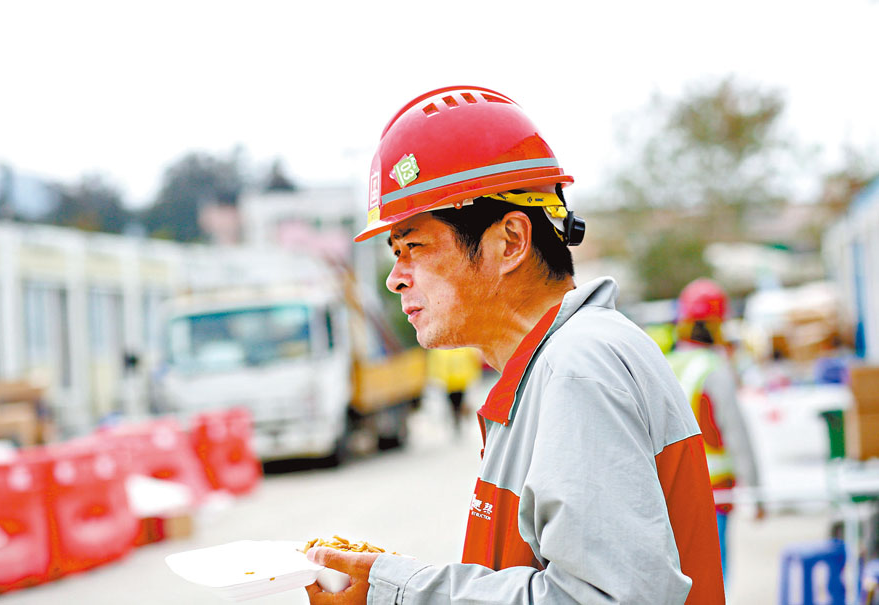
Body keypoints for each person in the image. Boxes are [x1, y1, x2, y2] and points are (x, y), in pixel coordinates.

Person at [305, 86, 724, 604]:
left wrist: (403, 593)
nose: (396, 279)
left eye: (413, 246)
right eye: (396, 253)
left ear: (510, 242)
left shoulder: (578, 368)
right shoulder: (546, 371)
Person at [665, 278, 763, 588]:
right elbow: (736, 434)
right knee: (714, 579)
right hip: (714, 493)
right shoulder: (713, 368)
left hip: (670, 492)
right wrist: (757, 490)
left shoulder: (665, 364)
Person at [426, 346, 483, 432]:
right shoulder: (439, 349)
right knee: (453, 406)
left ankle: (462, 420)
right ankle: (456, 422)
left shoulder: (465, 347)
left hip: (464, 383)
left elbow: (475, 361)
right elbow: (434, 365)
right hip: (449, 385)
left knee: (464, 405)